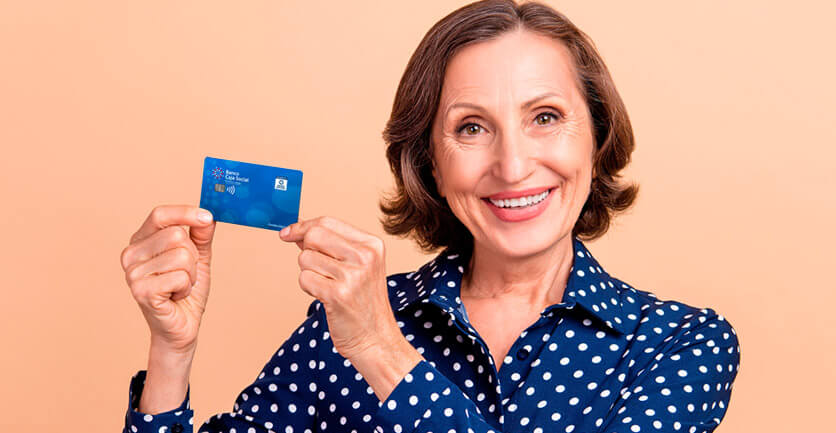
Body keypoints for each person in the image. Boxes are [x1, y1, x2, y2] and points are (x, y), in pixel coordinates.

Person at [120, 1, 741, 432]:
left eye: (545, 117)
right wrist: (172, 352)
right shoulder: (333, 330)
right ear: (431, 165)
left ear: (597, 138)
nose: (513, 164)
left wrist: (380, 349)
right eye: (471, 128)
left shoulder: (680, 345)